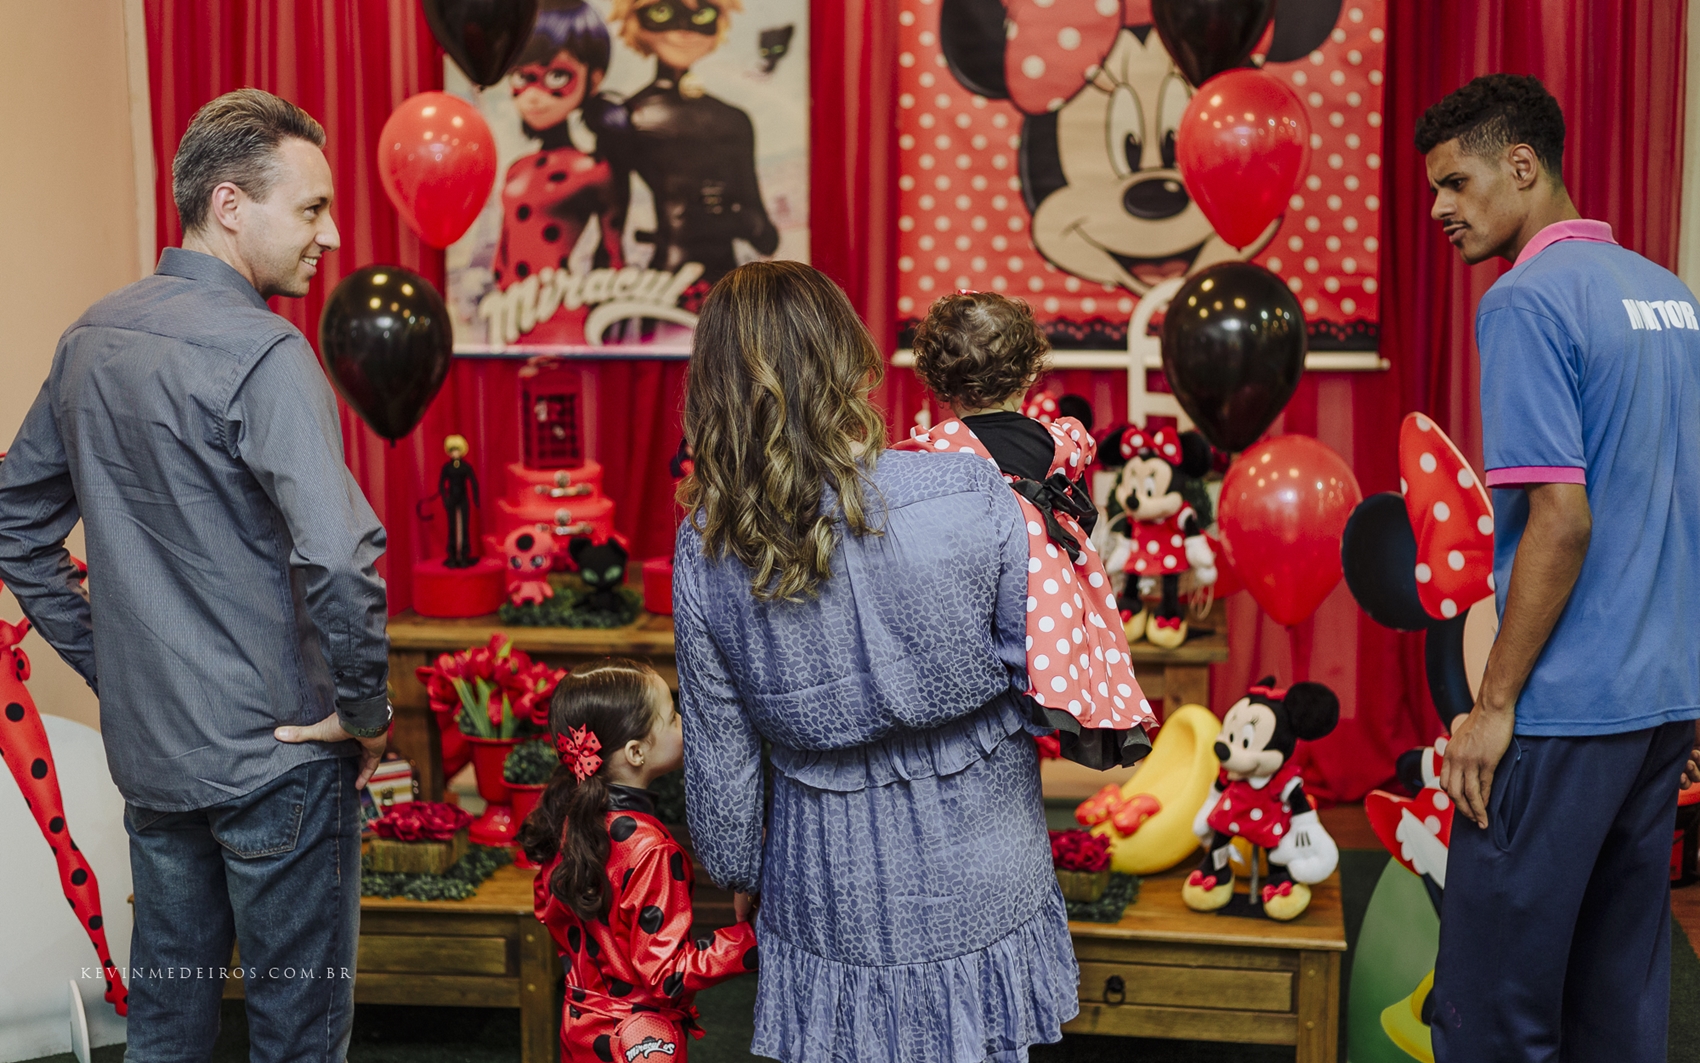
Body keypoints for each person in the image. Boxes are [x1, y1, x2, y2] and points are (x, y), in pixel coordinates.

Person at [0, 89, 390, 1058]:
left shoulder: (92, 335)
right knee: (297, 1038)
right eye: (310, 210)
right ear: (227, 205)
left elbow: (13, 521)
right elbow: (340, 551)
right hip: (281, 762)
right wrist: (369, 708)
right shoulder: (265, 351)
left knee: (168, 1026)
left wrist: (114, 667)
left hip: (159, 759)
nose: (332, 235)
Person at [674, 261, 1078, 1063]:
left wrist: (736, 866)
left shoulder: (709, 543)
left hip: (826, 877)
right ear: (848, 358)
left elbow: (719, 753)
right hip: (985, 852)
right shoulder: (969, 486)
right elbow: (1040, 666)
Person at [1416, 73, 1700, 1062]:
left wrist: (1490, 704)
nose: (1440, 211)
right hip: (1659, 701)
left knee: (1492, 1008)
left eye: (1454, 183)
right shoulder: (1670, 297)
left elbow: (1560, 520)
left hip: (1564, 709)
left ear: (1521, 166)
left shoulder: (1524, 301)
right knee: (1615, 997)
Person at [905, 291, 1153, 769]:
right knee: (1062, 634)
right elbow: (1079, 449)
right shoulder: (1055, 440)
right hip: (1049, 592)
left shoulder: (940, 448)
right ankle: (1063, 696)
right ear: (1026, 375)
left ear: (940, 384)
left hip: (973, 583)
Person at [517, 659, 755, 1061]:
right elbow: (667, 975)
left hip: (579, 1025)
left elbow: (547, 907)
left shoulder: (563, 819)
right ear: (636, 752)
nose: (684, 723)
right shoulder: (651, 851)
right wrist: (755, 939)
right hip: (640, 1039)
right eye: (673, 716)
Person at [493, 0, 624, 344]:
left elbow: (613, 257)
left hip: (564, 318)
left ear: (592, 79)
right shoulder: (517, 168)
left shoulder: (593, 168)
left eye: (556, 77)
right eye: (523, 77)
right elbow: (502, 256)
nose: (534, 96)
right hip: (512, 317)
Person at [438, 433, 480, 567]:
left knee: (464, 527)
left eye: (457, 450)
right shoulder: (447, 468)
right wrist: (445, 499)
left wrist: (475, 499)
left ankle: (464, 555)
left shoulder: (466, 467)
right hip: (451, 500)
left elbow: (473, 483)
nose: (455, 453)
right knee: (452, 527)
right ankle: (452, 555)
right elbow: (441, 484)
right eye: (452, 450)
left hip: (463, 499)